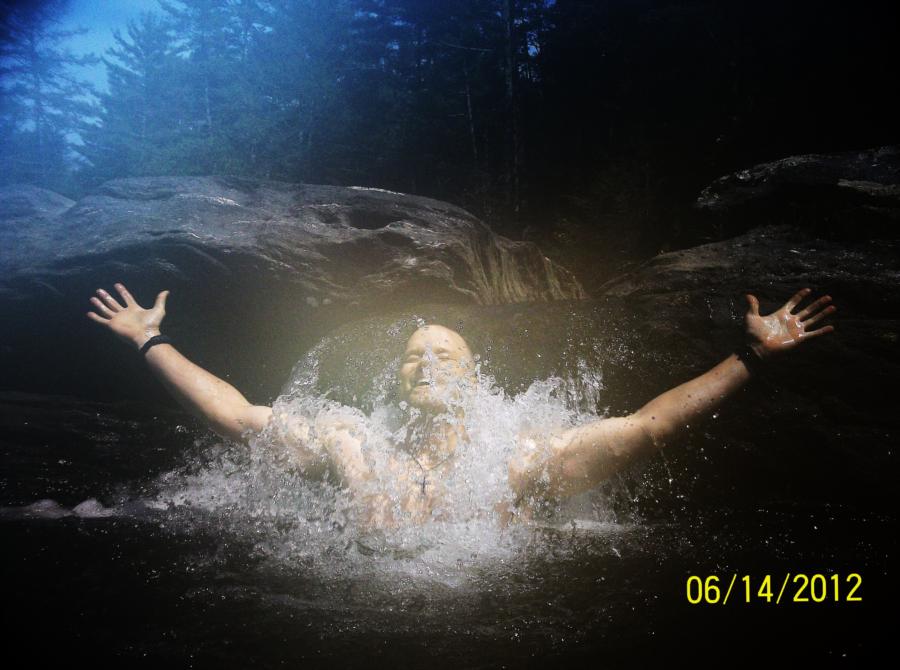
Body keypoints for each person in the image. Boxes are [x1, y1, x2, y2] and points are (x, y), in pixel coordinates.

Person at [86, 283, 836, 526]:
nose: (427, 362)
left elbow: (649, 426)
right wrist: (150, 341)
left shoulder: (518, 457)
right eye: (414, 354)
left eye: (446, 354)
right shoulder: (353, 441)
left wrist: (750, 358)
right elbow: (236, 414)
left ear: (475, 380)